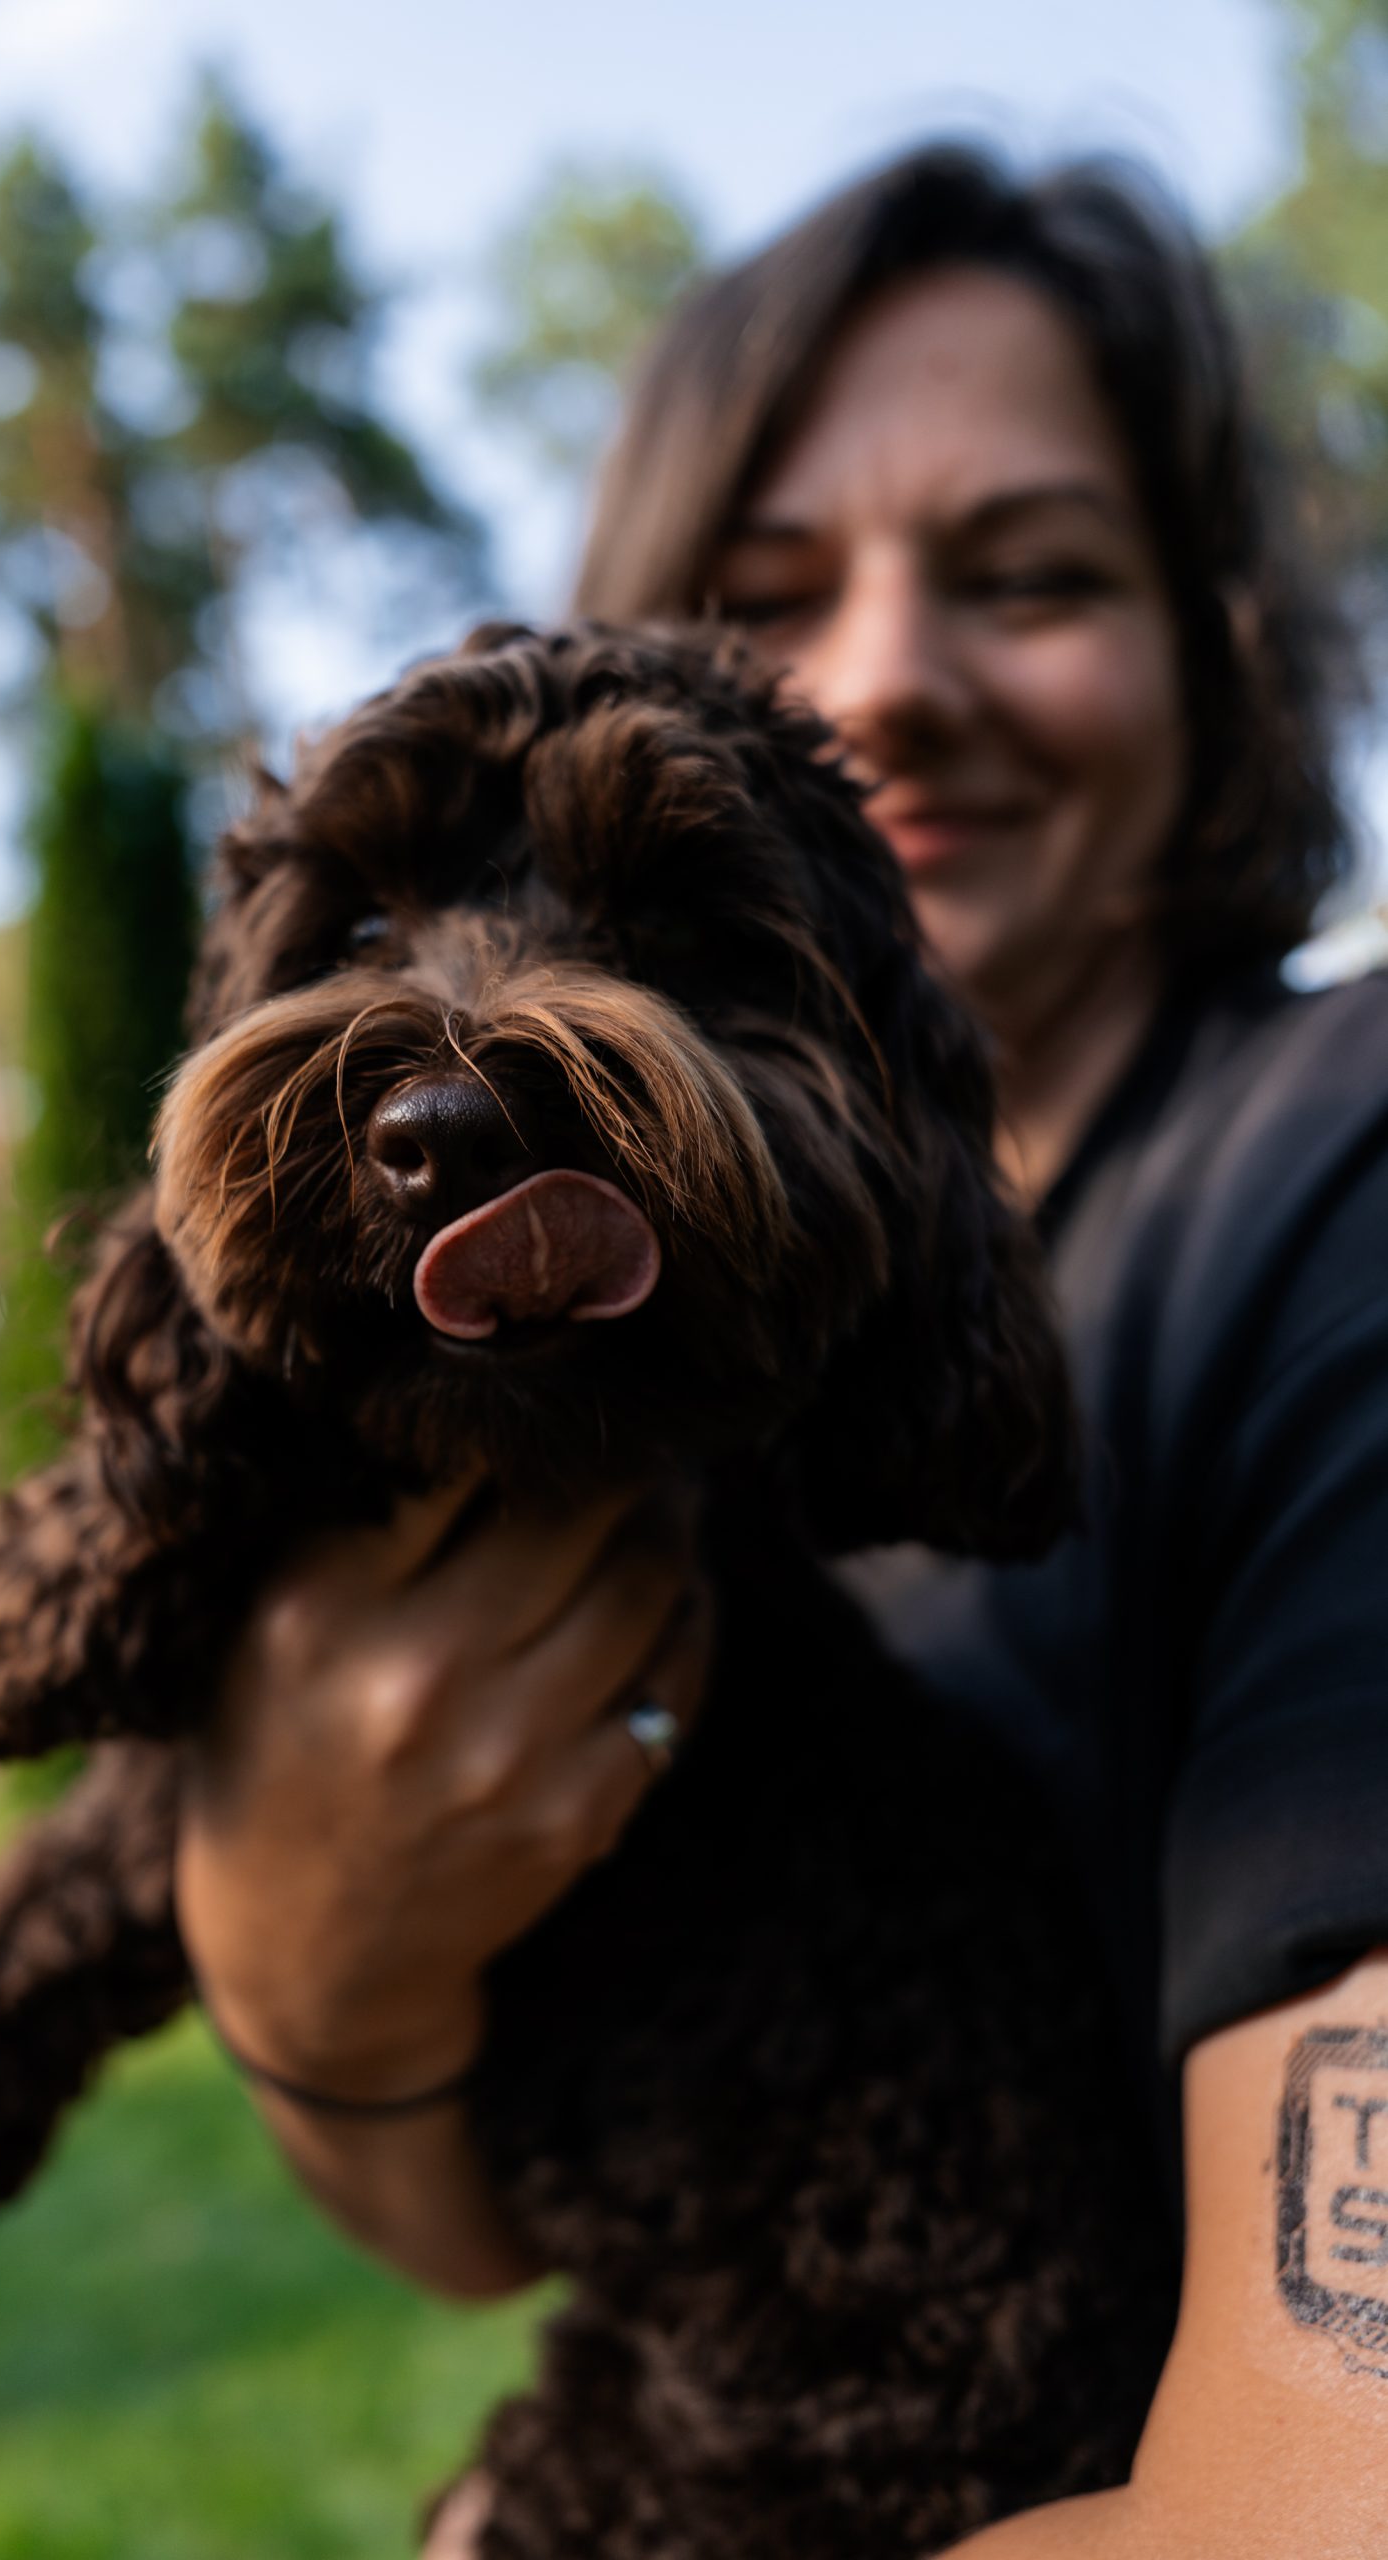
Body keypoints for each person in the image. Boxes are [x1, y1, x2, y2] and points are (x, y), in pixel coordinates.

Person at [178, 145, 1388, 2554]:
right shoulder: (631, 1314)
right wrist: (310, 1969)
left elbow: (1320, 2499)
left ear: (1215, 649)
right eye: (760, 595)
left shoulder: (1334, 1183)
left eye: (1031, 574)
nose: (877, 679)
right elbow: (505, 2220)